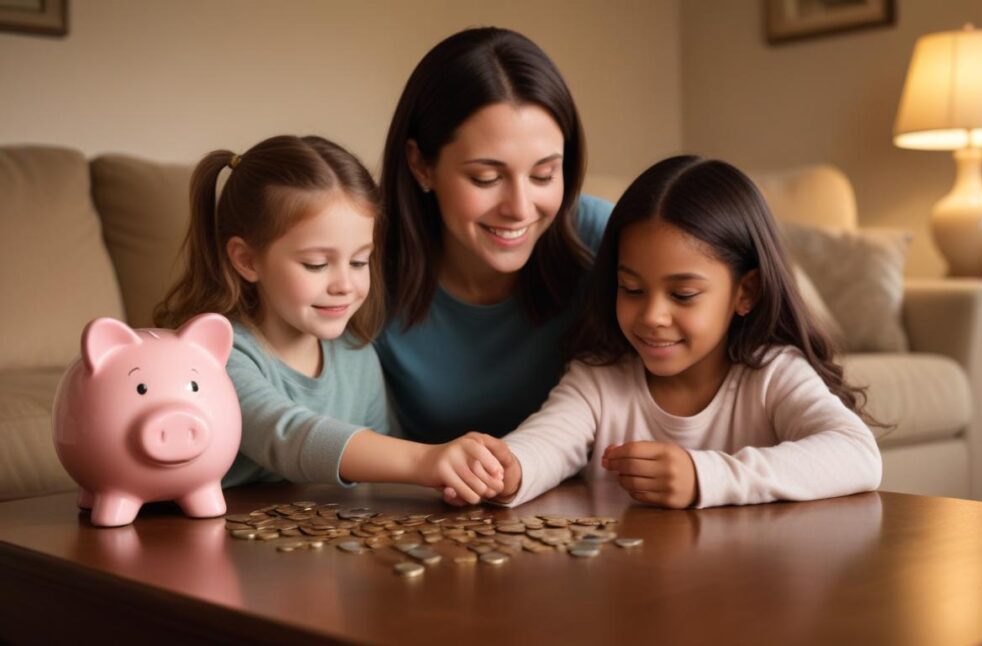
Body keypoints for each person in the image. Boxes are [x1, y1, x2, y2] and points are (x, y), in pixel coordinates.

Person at [489, 156, 883, 509]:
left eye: (683, 294)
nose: (652, 316)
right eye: (632, 289)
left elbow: (855, 453)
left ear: (745, 293)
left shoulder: (772, 374)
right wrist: (508, 468)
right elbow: (546, 443)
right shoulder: (599, 377)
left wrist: (703, 476)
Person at [154, 135, 507, 504]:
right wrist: (424, 460)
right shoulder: (216, 360)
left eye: (359, 261)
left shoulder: (357, 355)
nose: (345, 285)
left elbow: (379, 464)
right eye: (317, 264)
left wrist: (448, 480)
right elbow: (289, 436)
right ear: (247, 260)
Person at [376, 27, 613, 444]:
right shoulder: (362, 264)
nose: (520, 208)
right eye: (486, 178)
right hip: (420, 501)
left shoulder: (605, 239)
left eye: (544, 174)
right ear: (421, 165)